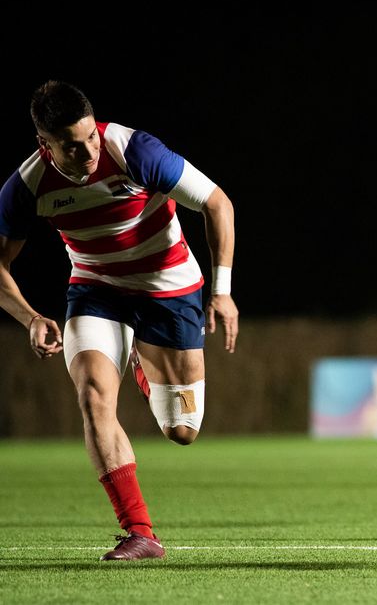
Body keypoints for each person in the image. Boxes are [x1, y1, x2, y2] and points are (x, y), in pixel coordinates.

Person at [0, 81, 238, 560]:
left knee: (182, 430)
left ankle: (141, 363)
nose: (87, 150)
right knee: (92, 396)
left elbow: (217, 203)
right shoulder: (26, 186)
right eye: (71, 144)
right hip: (96, 290)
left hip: (167, 287)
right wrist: (28, 317)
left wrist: (222, 292)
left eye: (90, 137)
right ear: (44, 146)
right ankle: (141, 533)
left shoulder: (134, 150)